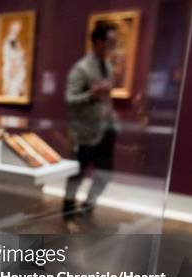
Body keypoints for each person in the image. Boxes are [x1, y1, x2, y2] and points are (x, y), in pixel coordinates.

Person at [63, 23, 119, 219]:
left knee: (105, 174)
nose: (114, 45)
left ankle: (88, 206)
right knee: (77, 174)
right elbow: (70, 100)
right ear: (98, 41)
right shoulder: (81, 69)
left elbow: (106, 99)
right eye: (110, 41)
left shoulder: (108, 66)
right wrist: (91, 95)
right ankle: (68, 211)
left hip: (105, 130)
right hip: (85, 132)